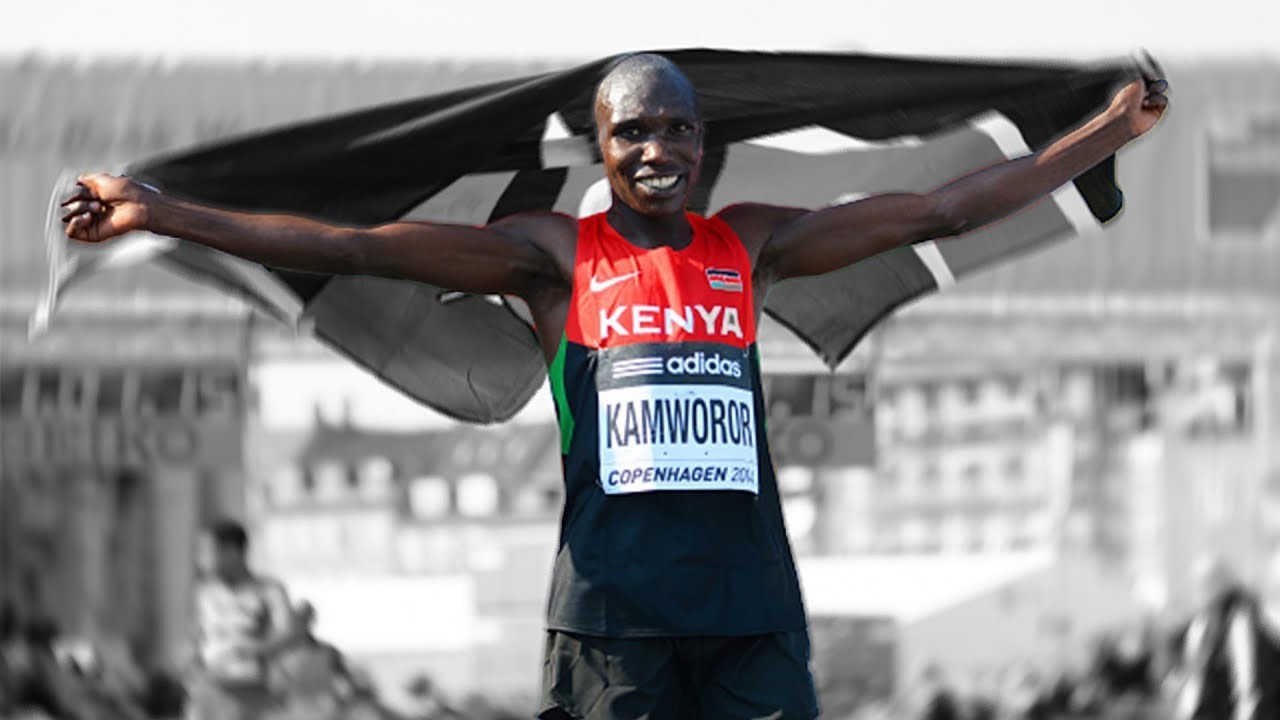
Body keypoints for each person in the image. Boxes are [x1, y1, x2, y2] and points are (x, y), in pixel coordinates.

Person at [61, 53, 1168, 719]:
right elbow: (356, 246)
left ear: (702, 143)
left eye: (676, 128)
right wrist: (163, 213)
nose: (656, 148)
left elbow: (942, 211)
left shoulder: (750, 245)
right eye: (631, 131)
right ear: (601, 146)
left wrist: (1102, 133)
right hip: (611, 620)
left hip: (749, 608)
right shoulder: (552, 257)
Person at [185, 519, 297, 720]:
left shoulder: (269, 590)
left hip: (253, 692)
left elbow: (287, 633)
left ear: (233, 552)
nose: (200, 559)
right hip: (210, 688)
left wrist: (252, 650)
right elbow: (196, 636)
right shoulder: (203, 592)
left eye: (207, 551)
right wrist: (191, 659)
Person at [1173, 558, 1280, 720]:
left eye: (1205, 585)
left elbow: (1251, 689)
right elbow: (1194, 683)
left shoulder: (1245, 624)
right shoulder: (1200, 628)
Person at [271, 600, 351, 720]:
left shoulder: (328, 651)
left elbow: (346, 681)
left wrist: (342, 702)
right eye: (299, 620)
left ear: (312, 621)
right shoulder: (282, 654)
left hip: (326, 713)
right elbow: (276, 689)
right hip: (296, 712)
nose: (302, 624)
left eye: (306, 619)